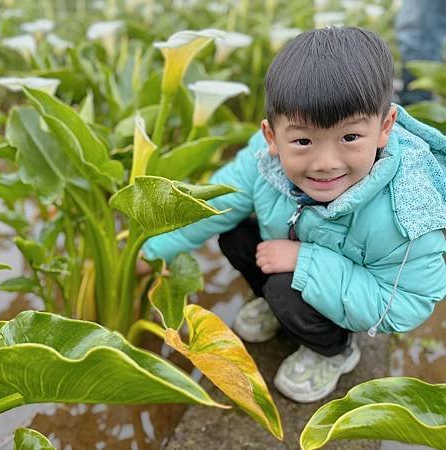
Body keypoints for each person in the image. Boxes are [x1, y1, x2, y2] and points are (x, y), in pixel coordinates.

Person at [140, 27, 446, 403]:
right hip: (294, 258)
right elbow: (215, 204)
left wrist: (306, 261)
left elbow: (405, 304)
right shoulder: (264, 158)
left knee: (285, 291)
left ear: (385, 127)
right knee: (235, 234)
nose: (325, 164)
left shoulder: (406, 211)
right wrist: (152, 251)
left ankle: (332, 351)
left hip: (348, 289)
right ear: (271, 137)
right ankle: (280, 307)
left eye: (349, 138)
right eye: (302, 141)